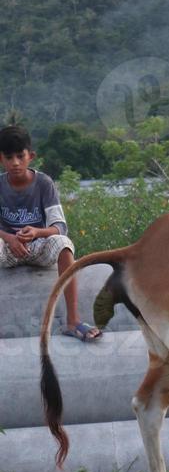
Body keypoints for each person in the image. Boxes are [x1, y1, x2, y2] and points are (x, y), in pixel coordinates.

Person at [0, 124, 101, 341]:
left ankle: (73, 321)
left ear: (31, 156)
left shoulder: (44, 183)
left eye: (20, 156)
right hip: (8, 249)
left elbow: (59, 226)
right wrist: (9, 238)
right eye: (9, 157)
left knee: (63, 243)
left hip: (38, 247)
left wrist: (37, 232)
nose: (15, 162)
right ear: (1, 159)